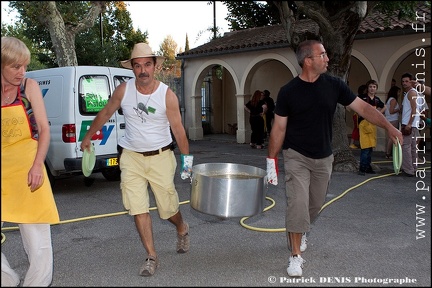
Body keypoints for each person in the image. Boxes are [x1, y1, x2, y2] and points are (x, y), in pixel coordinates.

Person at [265, 40, 402, 277]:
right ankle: (295, 255)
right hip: (296, 155)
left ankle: (302, 230)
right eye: (323, 55)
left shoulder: (335, 85)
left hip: (323, 157)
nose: (327, 59)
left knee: (315, 205)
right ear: (308, 60)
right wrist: (271, 161)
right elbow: (278, 128)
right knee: (297, 204)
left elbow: (364, 109)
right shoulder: (289, 91)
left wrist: (389, 127)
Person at [80, 42, 192, 277]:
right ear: (132, 68)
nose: (142, 70)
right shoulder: (123, 90)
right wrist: (88, 136)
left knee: (168, 208)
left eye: (147, 65)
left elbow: (179, 130)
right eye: (138, 65)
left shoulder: (167, 95)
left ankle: (181, 227)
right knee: (138, 207)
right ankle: (151, 256)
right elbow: (106, 112)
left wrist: (187, 162)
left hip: (161, 156)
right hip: (131, 157)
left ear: (155, 67)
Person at [1, 36, 60, 286]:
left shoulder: (29, 87)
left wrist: (37, 166)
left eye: (24, 66)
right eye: (15, 66)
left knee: (39, 244)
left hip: (29, 168)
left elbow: (44, 130)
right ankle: (7, 279)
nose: (22, 71)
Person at [357, 79, 386, 175]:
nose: (372, 88)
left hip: (372, 125)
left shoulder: (377, 99)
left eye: (374, 87)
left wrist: (378, 114)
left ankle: (368, 167)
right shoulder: (362, 97)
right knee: (365, 147)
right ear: (367, 88)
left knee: (370, 148)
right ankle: (362, 168)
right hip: (364, 123)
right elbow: (356, 106)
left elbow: (384, 107)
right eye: (370, 87)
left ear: (376, 88)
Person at [400, 73, 421, 177]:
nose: (404, 83)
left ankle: (408, 169)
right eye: (403, 81)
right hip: (413, 124)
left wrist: (409, 124)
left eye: (406, 81)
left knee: (406, 147)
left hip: (409, 124)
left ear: (412, 81)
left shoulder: (411, 93)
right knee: (412, 147)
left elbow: (414, 109)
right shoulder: (412, 92)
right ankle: (413, 168)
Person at [384, 86, 401, 158]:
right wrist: (399, 109)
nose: (399, 93)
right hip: (393, 119)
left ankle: (388, 152)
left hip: (389, 119)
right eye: (398, 92)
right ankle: (388, 153)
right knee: (392, 137)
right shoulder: (393, 100)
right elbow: (391, 111)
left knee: (391, 137)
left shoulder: (389, 99)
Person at [349, 85, 367, 149]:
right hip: (357, 115)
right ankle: (351, 143)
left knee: (359, 129)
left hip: (357, 114)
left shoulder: (358, 96)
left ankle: (360, 143)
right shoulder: (360, 97)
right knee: (356, 129)